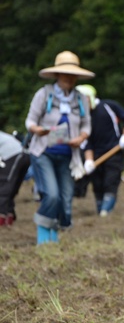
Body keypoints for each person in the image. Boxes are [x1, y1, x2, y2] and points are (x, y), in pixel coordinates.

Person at [25, 50, 93, 244]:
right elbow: (30, 120)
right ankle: (44, 237)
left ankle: (54, 234)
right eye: (65, 74)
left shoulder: (80, 99)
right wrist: (37, 130)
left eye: (73, 75)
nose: (69, 78)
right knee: (52, 195)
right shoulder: (44, 94)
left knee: (65, 201)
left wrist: (81, 137)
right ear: (57, 74)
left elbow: (87, 124)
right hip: (43, 152)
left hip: (68, 156)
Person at [76, 85, 124, 217]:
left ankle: (106, 211)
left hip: (114, 151)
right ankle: (100, 209)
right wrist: (89, 160)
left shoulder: (109, 106)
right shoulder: (82, 119)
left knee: (110, 181)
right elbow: (87, 142)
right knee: (97, 184)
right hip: (96, 155)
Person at [0, 131, 30, 226]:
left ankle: (2, 216)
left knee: (4, 185)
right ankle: (9, 214)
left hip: (14, 154)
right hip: (23, 154)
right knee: (11, 187)